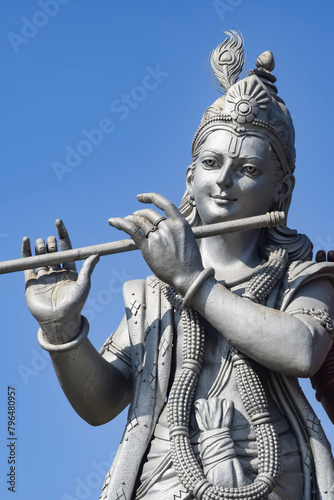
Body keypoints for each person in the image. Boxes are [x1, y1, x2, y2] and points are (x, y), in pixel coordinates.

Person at [22, 32, 334, 500]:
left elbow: (302, 351)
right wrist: (64, 332)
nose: (224, 180)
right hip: (163, 482)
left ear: (282, 192)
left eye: (248, 170)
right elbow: (101, 402)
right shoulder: (149, 294)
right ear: (191, 177)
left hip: (276, 481)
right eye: (211, 163)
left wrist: (190, 279)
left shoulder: (302, 277)